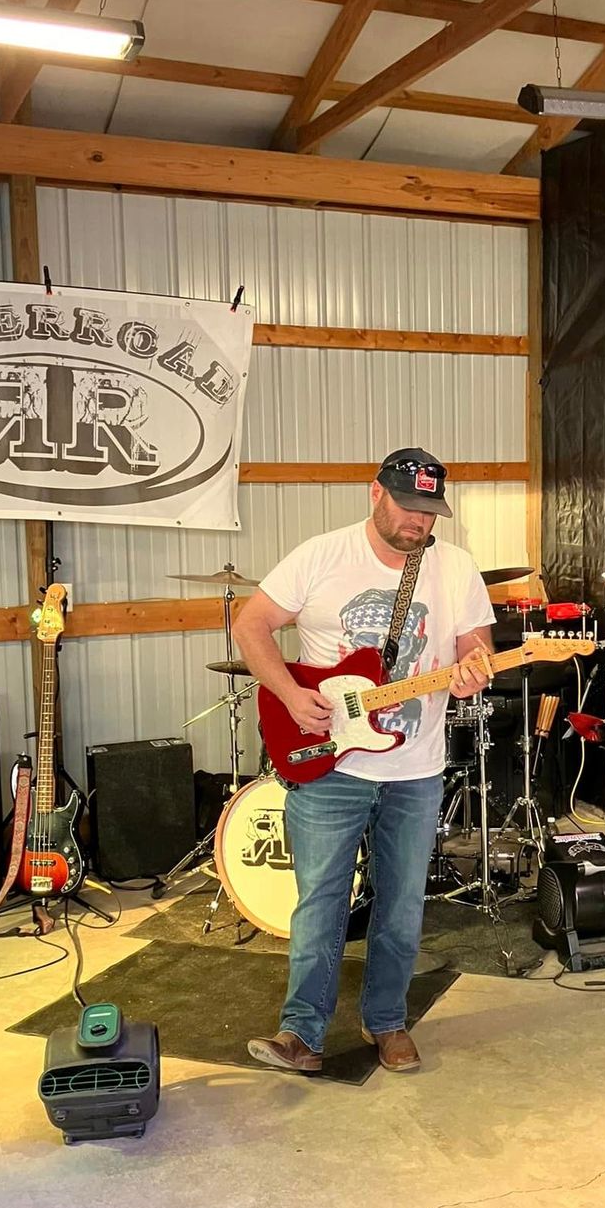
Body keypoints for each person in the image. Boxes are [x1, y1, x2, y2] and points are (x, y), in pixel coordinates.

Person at [232, 447, 495, 1075]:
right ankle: (302, 1033)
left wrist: (474, 671)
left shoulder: (455, 567)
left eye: (429, 512)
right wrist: (289, 695)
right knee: (320, 904)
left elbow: (476, 647)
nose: (418, 522)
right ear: (375, 493)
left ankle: (387, 1021)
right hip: (331, 765)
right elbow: (251, 625)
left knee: (401, 905)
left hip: (416, 769)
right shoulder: (322, 556)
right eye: (407, 507)